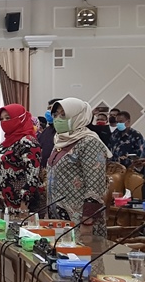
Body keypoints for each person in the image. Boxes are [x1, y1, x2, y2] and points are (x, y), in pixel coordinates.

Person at [47, 98, 110, 237]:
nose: (58, 119)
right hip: (57, 216)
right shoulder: (60, 141)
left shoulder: (89, 142)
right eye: (56, 115)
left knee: (80, 258)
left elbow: (95, 185)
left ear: (78, 116)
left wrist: (87, 221)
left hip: (79, 220)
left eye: (63, 114)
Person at [0, 104, 44, 214]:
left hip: (23, 205)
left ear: (20, 118)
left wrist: (24, 202)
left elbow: (33, 175)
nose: (4, 122)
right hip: (5, 203)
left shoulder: (28, 142)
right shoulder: (5, 143)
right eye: (2, 119)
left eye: (8, 118)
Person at [38, 99, 59, 168]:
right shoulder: (46, 130)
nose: (49, 112)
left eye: (52, 108)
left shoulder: (62, 131)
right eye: (48, 108)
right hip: (43, 170)